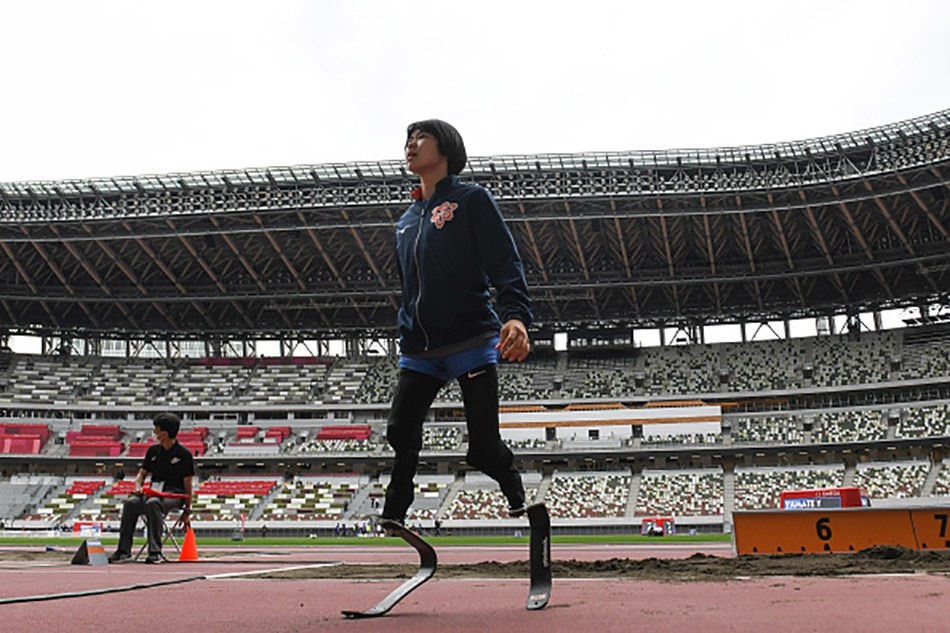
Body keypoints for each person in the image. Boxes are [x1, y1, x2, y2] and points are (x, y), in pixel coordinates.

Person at [382, 119, 533, 527]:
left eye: (421, 138)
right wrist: (405, 326)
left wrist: (516, 315)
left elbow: (505, 261)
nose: (411, 145)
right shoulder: (405, 220)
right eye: (408, 139)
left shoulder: (471, 200)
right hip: (419, 350)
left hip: (471, 340)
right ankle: (396, 506)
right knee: (400, 430)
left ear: (446, 147)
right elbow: (408, 284)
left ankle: (510, 480)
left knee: (483, 448)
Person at [109, 412, 195, 564]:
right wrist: (137, 486)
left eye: (156, 430)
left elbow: (188, 485)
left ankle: (155, 552)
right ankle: (123, 551)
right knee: (131, 503)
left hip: (174, 495)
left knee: (153, 503)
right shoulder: (152, 452)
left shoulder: (184, 455)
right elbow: (141, 475)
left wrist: (187, 511)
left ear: (164, 433)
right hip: (154, 492)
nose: (154, 433)